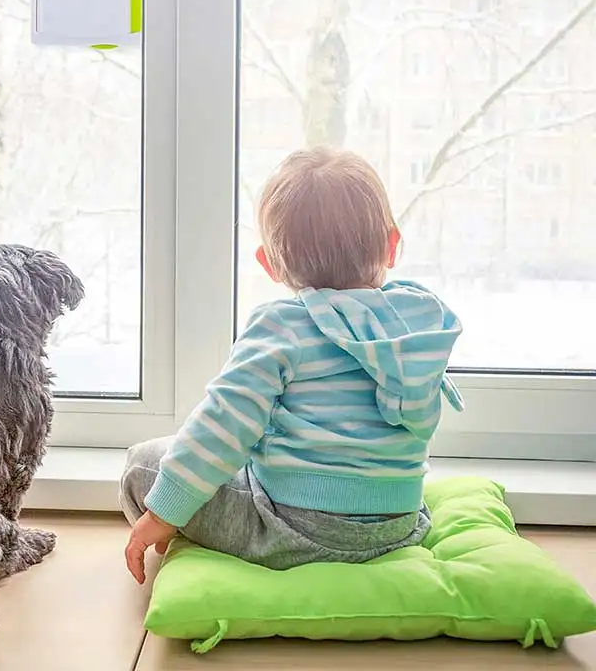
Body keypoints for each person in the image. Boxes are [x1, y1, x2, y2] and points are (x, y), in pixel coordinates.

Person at [120, 146, 464, 584]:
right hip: (398, 526)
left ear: (269, 263)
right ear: (393, 245)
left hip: (293, 529)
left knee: (141, 465)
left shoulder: (282, 326)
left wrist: (164, 511)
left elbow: (223, 425)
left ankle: (179, 536)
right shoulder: (418, 323)